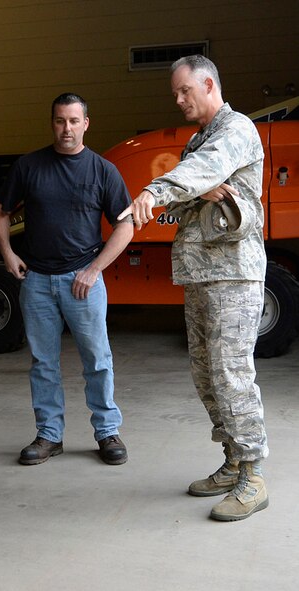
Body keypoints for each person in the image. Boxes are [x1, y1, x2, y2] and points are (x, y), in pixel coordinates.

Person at [117, 55, 269, 521]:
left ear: (208, 84)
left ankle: (254, 476)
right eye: (175, 94)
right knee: (206, 374)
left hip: (233, 274)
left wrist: (155, 191)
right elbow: (190, 198)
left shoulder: (235, 129)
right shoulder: (199, 143)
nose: (179, 100)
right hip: (202, 273)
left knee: (231, 373)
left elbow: (208, 168)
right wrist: (198, 188)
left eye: (184, 91)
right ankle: (232, 460)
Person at [0, 93, 134, 466]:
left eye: (74, 121)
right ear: (52, 123)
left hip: (82, 280)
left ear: (86, 123)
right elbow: (1, 212)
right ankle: (49, 435)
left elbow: (126, 225)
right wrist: (8, 253)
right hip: (37, 281)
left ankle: (107, 432)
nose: (66, 128)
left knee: (97, 359)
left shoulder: (103, 171)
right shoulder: (29, 166)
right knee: (43, 362)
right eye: (60, 121)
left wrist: (94, 270)